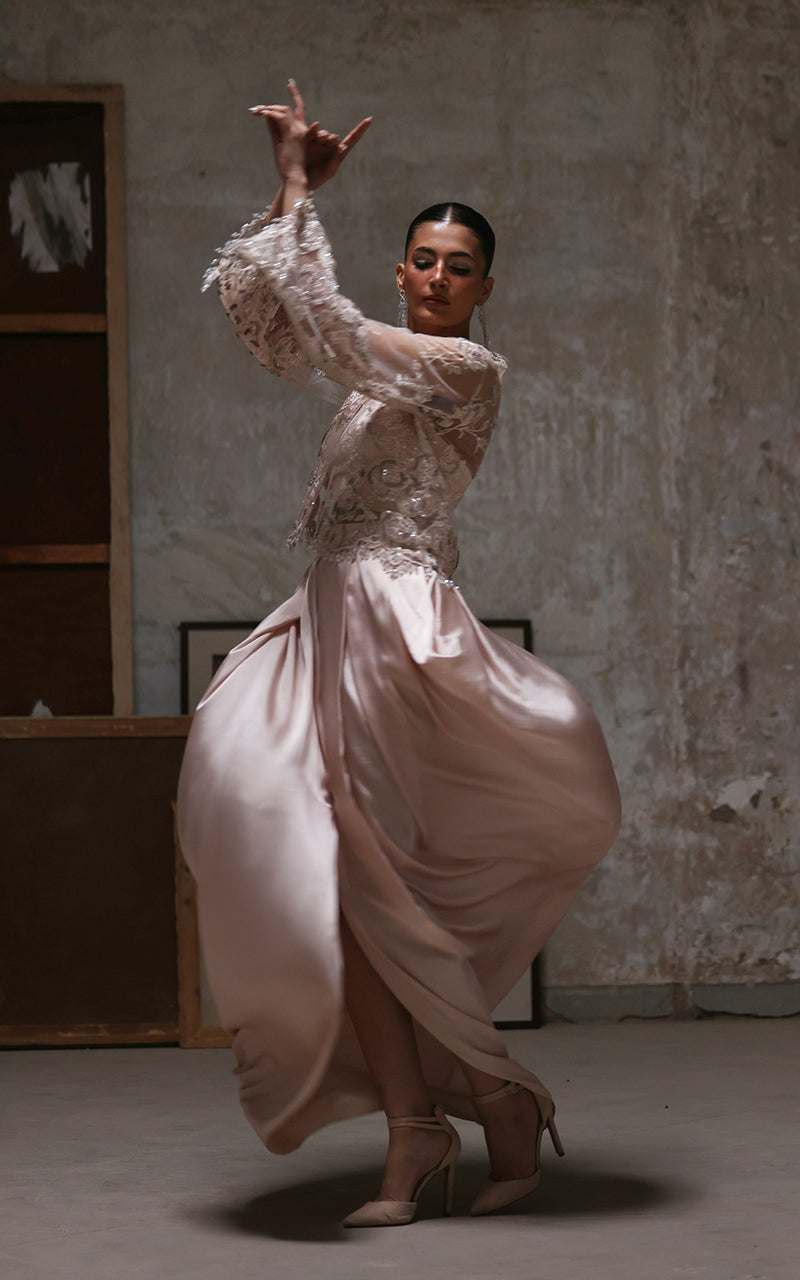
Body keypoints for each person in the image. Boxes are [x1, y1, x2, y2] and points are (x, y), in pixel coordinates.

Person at [176, 82, 621, 1227]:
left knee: (371, 883)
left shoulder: (466, 369)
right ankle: (432, 1118)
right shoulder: (376, 369)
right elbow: (272, 323)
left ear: (482, 290)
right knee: (332, 886)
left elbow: (327, 331)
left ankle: (482, 1098)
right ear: (399, 268)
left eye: (457, 267)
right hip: (325, 613)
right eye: (421, 259)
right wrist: (288, 192)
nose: (435, 277)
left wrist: (296, 186)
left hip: (392, 630)